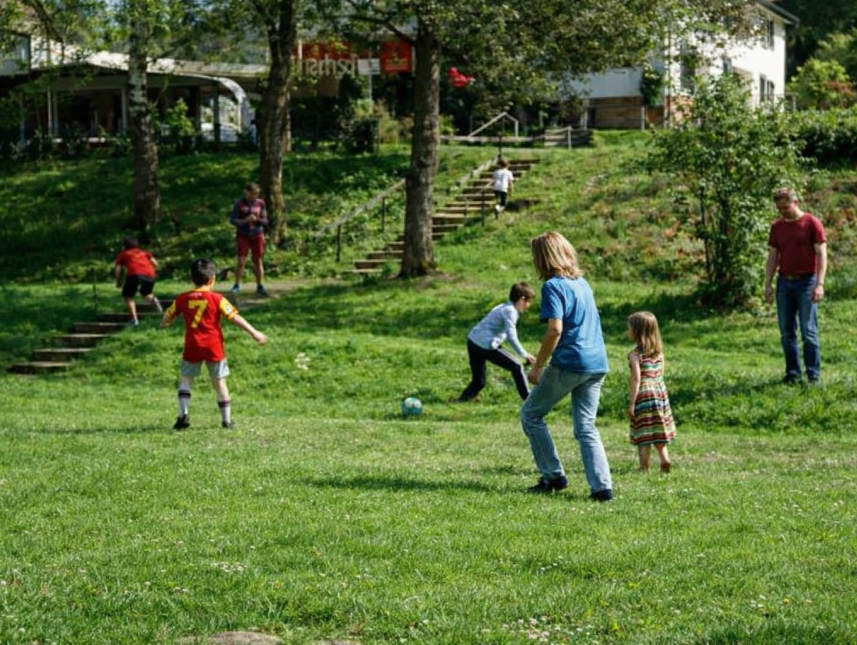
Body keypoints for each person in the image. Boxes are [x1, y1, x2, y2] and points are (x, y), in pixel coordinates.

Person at [520, 231, 613, 501]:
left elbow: (555, 330)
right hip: (597, 363)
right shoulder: (582, 284)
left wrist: (538, 367)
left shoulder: (553, 286)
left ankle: (554, 476)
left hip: (571, 362)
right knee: (586, 427)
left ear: (542, 258)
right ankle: (602, 489)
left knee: (531, 415)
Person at [161, 258, 268, 430]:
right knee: (219, 382)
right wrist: (254, 332)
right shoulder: (217, 299)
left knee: (186, 380)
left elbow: (167, 316)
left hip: (192, 345)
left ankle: (183, 416)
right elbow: (235, 317)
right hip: (213, 346)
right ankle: (226, 420)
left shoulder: (182, 298)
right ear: (212, 279)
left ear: (192, 278)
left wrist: (165, 323)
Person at [764, 187, 828, 384]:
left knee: (808, 331)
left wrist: (820, 284)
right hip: (784, 282)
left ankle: (813, 376)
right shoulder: (777, 227)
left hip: (807, 282)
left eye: (786, 206)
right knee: (786, 331)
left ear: (796, 202)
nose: (783, 211)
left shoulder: (811, 223)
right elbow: (773, 256)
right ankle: (793, 374)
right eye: (779, 208)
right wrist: (768, 283)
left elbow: (822, 254)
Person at [457, 282, 537, 402]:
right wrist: (525, 354)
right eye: (529, 302)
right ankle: (530, 401)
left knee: (479, 382)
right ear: (522, 299)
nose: (528, 306)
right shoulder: (511, 311)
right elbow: (511, 337)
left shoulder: (502, 307)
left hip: (473, 341)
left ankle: (461, 401)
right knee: (517, 366)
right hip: (486, 345)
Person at [626, 312, 676, 473]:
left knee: (644, 430)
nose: (628, 331)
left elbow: (636, 379)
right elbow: (660, 375)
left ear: (637, 332)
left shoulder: (635, 355)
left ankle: (644, 467)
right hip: (660, 392)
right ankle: (664, 458)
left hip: (644, 393)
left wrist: (632, 403)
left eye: (630, 328)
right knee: (659, 427)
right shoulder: (660, 354)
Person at [230, 182, 269, 296]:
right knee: (241, 261)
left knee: (258, 261)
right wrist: (245, 220)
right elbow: (232, 220)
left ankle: (260, 285)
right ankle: (237, 285)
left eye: (256, 194)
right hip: (243, 235)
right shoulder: (239, 204)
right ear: (246, 192)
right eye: (252, 193)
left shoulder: (261, 203)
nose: (254, 196)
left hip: (257, 235)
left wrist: (257, 219)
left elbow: (265, 221)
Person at [114, 237, 162, 326]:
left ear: (125, 246)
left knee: (128, 296)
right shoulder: (144, 252)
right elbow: (156, 263)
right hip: (150, 274)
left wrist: (118, 280)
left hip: (135, 274)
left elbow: (118, 269)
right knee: (146, 292)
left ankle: (134, 319)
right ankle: (154, 301)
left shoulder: (124, 254)